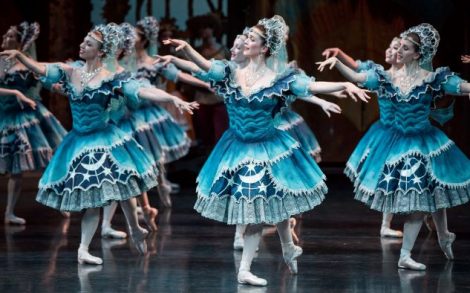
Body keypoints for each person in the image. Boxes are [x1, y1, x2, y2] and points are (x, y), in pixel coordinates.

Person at [163, 15, 370, 286]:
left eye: (252, 39)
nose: (246, 41)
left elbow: (310, 86)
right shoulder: (230, 71)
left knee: (266, 203)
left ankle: (248, 267)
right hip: (237, 148)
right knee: (261, 205)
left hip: (268, 147)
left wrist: (343, 84)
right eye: (246, 37)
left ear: (263, 48)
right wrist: (186, 48)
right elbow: (203, 66)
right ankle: (283, 249)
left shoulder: (279, 78)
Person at [0, 24, 197, 265]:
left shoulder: (111, 77)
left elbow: (142, 90)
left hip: (105, 138)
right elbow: (42, 68)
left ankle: (134, 227)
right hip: (79, 141)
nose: (82, 45)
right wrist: (21, 56)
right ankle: (84, 248)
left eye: (89, 44)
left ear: (100, 51)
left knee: (123, 181)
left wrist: (171, 98)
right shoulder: (71, 71)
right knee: (93, 198)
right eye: (83, 41)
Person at [317, 23, 470, 270]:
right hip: (398, 145)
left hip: (424, 143)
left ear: (418, 55)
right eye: (399, 47)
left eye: (405, 48)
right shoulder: (386, 77)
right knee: (423, 199)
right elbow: (358, 77)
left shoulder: (433, 79)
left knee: (430, 194)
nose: (399, 51)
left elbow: (464, 88)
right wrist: (338, 64)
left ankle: (426, 244)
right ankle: (422, 247)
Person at [0, 21, 68, 225]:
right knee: (15, 169)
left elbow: (46, 81)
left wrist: (62, 87)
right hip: (8, 117)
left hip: (31, 117)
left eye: (11, 36)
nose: (5, 38)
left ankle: (59, 201)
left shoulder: (28, 63)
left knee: (49, 160)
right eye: (5, 35)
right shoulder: (1, 61)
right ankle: (9, 211)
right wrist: (16, 92)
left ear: (21, 42)